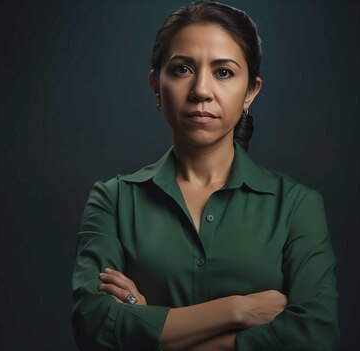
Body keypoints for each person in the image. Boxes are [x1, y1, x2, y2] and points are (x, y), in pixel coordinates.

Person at [71, 1, 339, 350]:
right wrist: (236, 310)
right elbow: (92, 326)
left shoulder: (296, 206)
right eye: (182, 69)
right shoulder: (113, 200)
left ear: (251, 91)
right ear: (156, 85)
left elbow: (315, 337)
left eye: (223, 72)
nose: (201, 90)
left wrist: (145, 320)